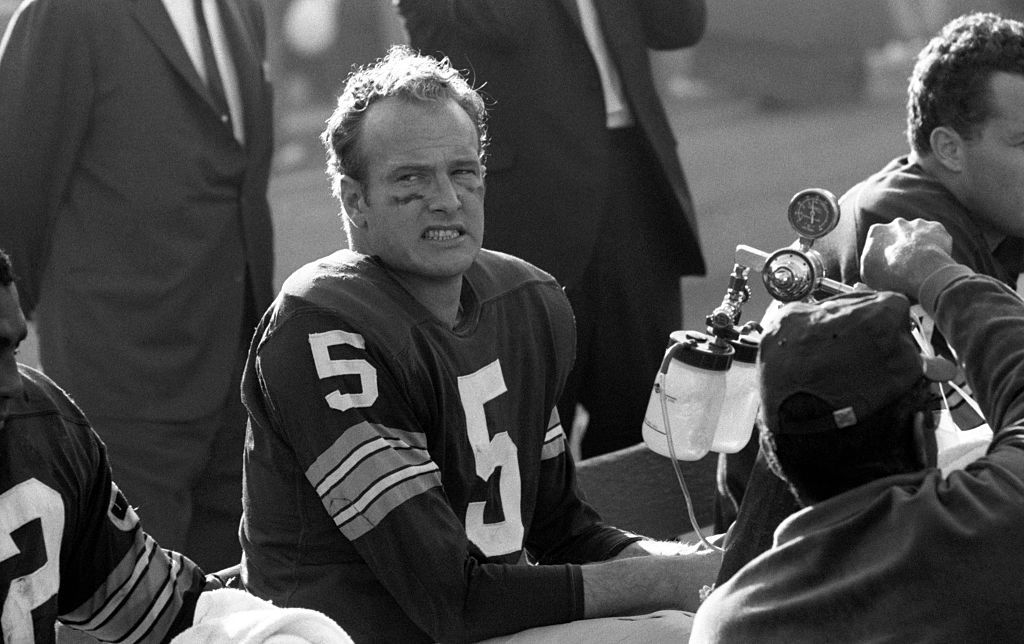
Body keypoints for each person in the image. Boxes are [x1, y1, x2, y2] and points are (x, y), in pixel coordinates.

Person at [238, 46, 720, 643]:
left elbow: (564, 532)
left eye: (462, 171)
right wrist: (675, 582)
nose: (446, 198)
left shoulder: (525, 301)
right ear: (354, 200)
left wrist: (704, 570)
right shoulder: (327, 328)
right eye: (411, 179)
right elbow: (451, 600)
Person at [714, 11, 1024, 582]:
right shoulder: (906, 227)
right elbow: (998, 430)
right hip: (813, 567)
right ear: (949, 148)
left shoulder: (996, 209)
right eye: (1022, 141)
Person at [0, 0, 276, 571]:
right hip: (120, 390)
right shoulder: (66, 14)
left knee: (233, 604)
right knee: (129, 601)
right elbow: (12, 197)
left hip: (240, 381)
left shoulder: (240, 8)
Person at [395, 0, 708, 458]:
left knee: (644, 420)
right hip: (525, 202)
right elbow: (499, 24)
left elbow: (677, 26)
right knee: (528, 428)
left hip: (634, 184)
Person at [691, 217, 1024, 642]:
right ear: (923, 426)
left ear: (773, 456)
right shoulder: (997, 518)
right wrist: (931, 269)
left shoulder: (728, 621)